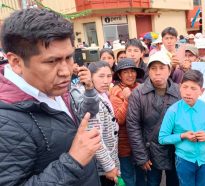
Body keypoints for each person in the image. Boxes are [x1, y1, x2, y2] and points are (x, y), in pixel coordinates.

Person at [0, 8, 101, 185]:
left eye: (69, 57)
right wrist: (73, 162)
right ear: (16, 62)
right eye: (51, 61)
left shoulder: (54, 86)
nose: (65, 71)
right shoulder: (6, 122)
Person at [159, 69, 205, 186]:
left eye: (193, 88)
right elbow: (162, 138)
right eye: (185, 87)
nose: (188, 92)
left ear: (201, 91)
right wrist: (183, 136)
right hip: (184, 160)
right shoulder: (173, 111)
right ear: (180, 87)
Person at [127, 51, 180, 186]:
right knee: (152, 182)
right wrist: (141, 156)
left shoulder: (179, 91)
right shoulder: (138, 94)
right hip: (150, 152)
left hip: (174, 150)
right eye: (153, 68)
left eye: (162, 68)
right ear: (148, 71)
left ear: (169, 70)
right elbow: (133, 126)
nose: (157, 72)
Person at [109, 58, 145, 186]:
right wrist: (127, 100)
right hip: (124, 145)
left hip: (141, 143)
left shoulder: (141, 88)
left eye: (132, 71)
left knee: (142, 176)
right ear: (119, 75)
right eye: (125, 72)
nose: (130, 75)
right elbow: (118, 119)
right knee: (128, 176)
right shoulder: (115, 91)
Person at [85, 61, 120, 185]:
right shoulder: (94, 101)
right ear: (90, 77)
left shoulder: (103, 94)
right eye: (101, 76)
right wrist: (109, 167)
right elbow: (96, 138)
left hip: (109, 160)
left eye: (109, 76)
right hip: (102, 168)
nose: (106, 81)